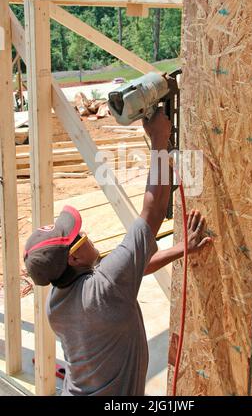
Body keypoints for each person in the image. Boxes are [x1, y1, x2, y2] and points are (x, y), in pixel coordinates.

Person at [24, 109, 212, 396]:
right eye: (80, 236)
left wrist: (180, 249)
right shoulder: (103, 290)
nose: (87, 235)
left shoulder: (59, 300)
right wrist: (159, 138)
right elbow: (154, 212)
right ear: (73, 258)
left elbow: (127, 271)